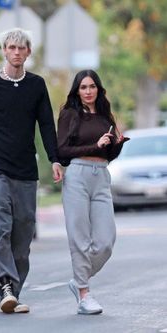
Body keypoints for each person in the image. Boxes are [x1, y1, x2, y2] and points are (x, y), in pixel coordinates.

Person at [0, 28, 63, 314]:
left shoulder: (37, 85)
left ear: (28, 52)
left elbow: (45, 125)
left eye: (22, 48)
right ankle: (4, 284)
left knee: (23, 233)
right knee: (0, 226)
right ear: (4, 51)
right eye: (11, 48)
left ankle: (12, 294)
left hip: (26, 169)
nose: (16, 53)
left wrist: (55, 158)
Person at [57, 69, 129, 315]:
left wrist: (116, 145)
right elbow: (62, 150)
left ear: (99, 89)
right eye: (83, 87)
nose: (88, 91)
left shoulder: (105, 116)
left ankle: (78, 281)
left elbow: (106, 155)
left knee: (106, 241)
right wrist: (94, 145)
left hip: (101, 176)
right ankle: (84, 294)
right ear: (77, 90)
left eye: (92, 86)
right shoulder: (69, 114)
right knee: (80, 238)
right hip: (77, 175)